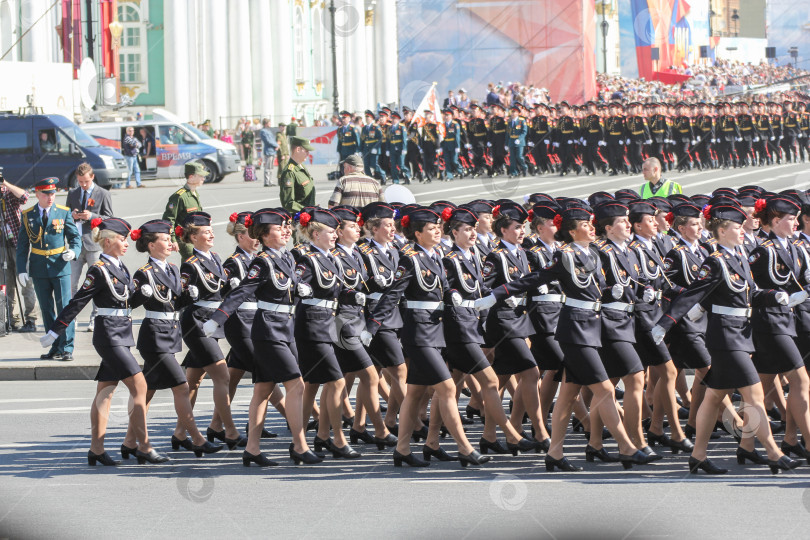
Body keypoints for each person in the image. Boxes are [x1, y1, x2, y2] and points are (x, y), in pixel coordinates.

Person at [651, 203, 802, 475]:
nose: (743, 231)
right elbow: (692, 294)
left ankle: (698, 455)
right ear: (722, 230)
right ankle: (773, 452)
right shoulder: (715, 261)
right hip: (725, 337)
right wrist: (666, 322)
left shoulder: (741, 256)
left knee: (713, 397)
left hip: (741, 332)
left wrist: (776, 297)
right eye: (737, 227)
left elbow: (750, 294)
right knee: (754, 396)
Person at [362, 207, 491, 467]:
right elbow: (392, 294)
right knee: (446, 388)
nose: (437, 232)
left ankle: (406, 447)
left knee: (415, 393)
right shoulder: (409, 259)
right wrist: (372, 326)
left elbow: (444, 289)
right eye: (431, 229)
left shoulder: (437, 256)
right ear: (417, 233)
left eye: (438, 228)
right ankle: (464, 448)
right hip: (418, 333)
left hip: (437, 330)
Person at [40, 217, 168, 466]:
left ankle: (96, 449)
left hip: (122, 332)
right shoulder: (98, 269)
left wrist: (141, 296)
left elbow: (125, 301)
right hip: (108, 335)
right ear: (108, 241)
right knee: (140, 386)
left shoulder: (121, 267)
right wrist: (56, 331)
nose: (126, 243)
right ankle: (143, 446)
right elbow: (78, 301)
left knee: (106, 392)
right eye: (122, 239)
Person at [205, 208, 322, 466]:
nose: (286, 231)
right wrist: (218, 319)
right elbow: (241, 291)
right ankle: (300, 446)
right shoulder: (262, 261)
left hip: (285, 327)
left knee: (263, 390)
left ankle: (252, 448)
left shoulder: (288, 259)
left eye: (285, 227)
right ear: (266, 236)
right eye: (279, 228)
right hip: (269, 331)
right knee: (297, 385)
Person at [126, 219, 222, 459]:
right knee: (181, 386)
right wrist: (140, 295)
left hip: (170, 332)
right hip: (155, 336)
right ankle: (197, 439)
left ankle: (130, 442)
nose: (171, 243)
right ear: (151, 245)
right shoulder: (144, 272)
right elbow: (128, 301)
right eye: (165, 239)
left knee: (147, 391)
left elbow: (174, 303)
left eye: (170, 239)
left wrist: (189, 297)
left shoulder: (172, 269)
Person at [176, 212, 246, 450]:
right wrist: (188, 294)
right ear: (193, 238)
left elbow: (222, 288)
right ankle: (230, 432)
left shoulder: (215, 258)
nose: (211, 234)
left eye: (211, 230)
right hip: (197, 322)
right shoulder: (191, 264)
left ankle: (179, 432)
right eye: (205, 232)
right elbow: (179, 297)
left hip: (212, 322)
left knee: (193, 380)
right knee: (222, 376)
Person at [17, 178, 81, 361]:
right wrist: (21, 269)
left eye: (53, 193)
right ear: (37, 194)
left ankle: (67, 347)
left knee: (65, 308)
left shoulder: (63, 212)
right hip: (39, 269)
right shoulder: (28, 214)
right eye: (46, 194)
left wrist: (73, 252)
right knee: (46, 310)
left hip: (60, 266)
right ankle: (55, 346)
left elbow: (75, 239)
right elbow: (22, 246)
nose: (50, 197)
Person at [66, 163, 113, 331]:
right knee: (71, 283)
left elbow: (109, 218)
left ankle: (95, 317)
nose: (83, 184)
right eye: (80, 182)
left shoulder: (103, 193)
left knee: (95, 282)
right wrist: (71, 215)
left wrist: (92, 216)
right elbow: (66, 215)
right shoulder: (73, 193)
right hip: (76, 244)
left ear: (92, 177)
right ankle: (71, 317)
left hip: (94, 243)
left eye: (85, 181)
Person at [0, 174, 37, 334]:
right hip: (2, 246)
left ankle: (31, 319)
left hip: (17, 244)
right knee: (7, 285)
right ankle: (11, 319)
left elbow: (25, 197)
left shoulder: (8, 194)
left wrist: (5, 183)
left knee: (25, 282)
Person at [162, 161, 208, 261]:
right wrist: (173, 240)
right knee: (193, 258)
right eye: (200, 176)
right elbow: (168, 220)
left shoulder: (194, 193)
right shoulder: (179, 196)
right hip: (184, 238)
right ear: (191, 177)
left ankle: (185, 276)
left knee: (196, 261)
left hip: (196, 236)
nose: (203, 178)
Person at [279, 137, 317, 214]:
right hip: (299, 220)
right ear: (298, 149)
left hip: (307, 216)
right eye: (306, 151)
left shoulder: (301, 167)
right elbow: (288, 203)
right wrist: (307, 210)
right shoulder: (289, 172)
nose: (308, 154)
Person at [259, 119, 278, 187]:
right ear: (266, 123)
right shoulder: (263, 131)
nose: (270, 124)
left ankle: (270, 180)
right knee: (267, 167)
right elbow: (268, 141)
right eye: (269, 122)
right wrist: (276, 145)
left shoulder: (268, 131)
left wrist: (276, 145)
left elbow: (273, 140)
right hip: (268, 151)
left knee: (271, 167)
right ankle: (266, 181)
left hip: (272, 151)